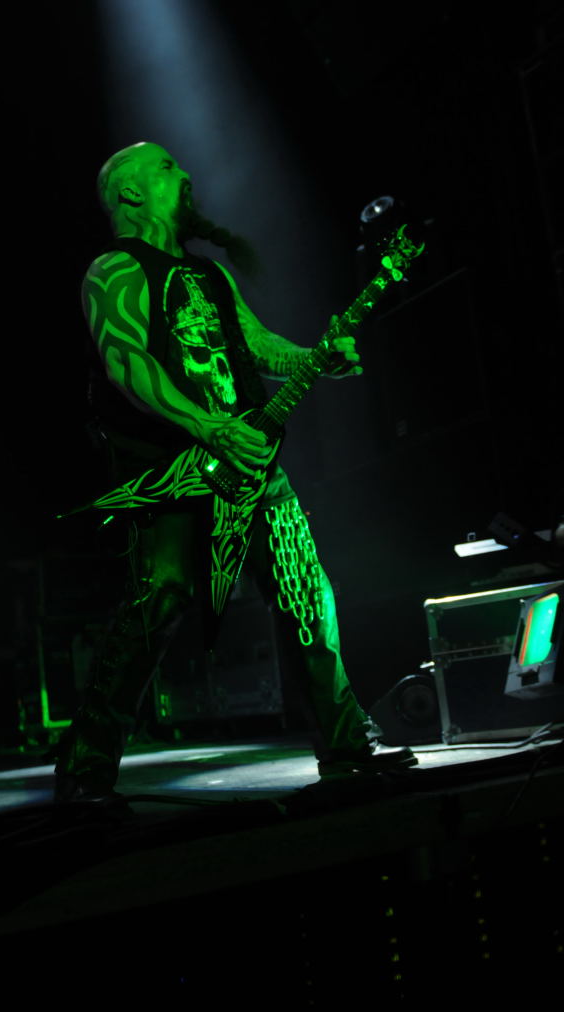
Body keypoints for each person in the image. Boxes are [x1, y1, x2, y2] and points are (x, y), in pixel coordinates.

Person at [54, 141, 416, 803]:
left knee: (306, 592)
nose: (185, 173)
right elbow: (126, 362)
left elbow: (256, 345)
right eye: (167, 167)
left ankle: (346, 747)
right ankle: (85, 770)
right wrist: (207, 425)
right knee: (159, 600)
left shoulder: (210, 275)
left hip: (252, 464)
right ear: (131, 192)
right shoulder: (114, 269)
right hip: (171, 468)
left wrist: (315, 357)